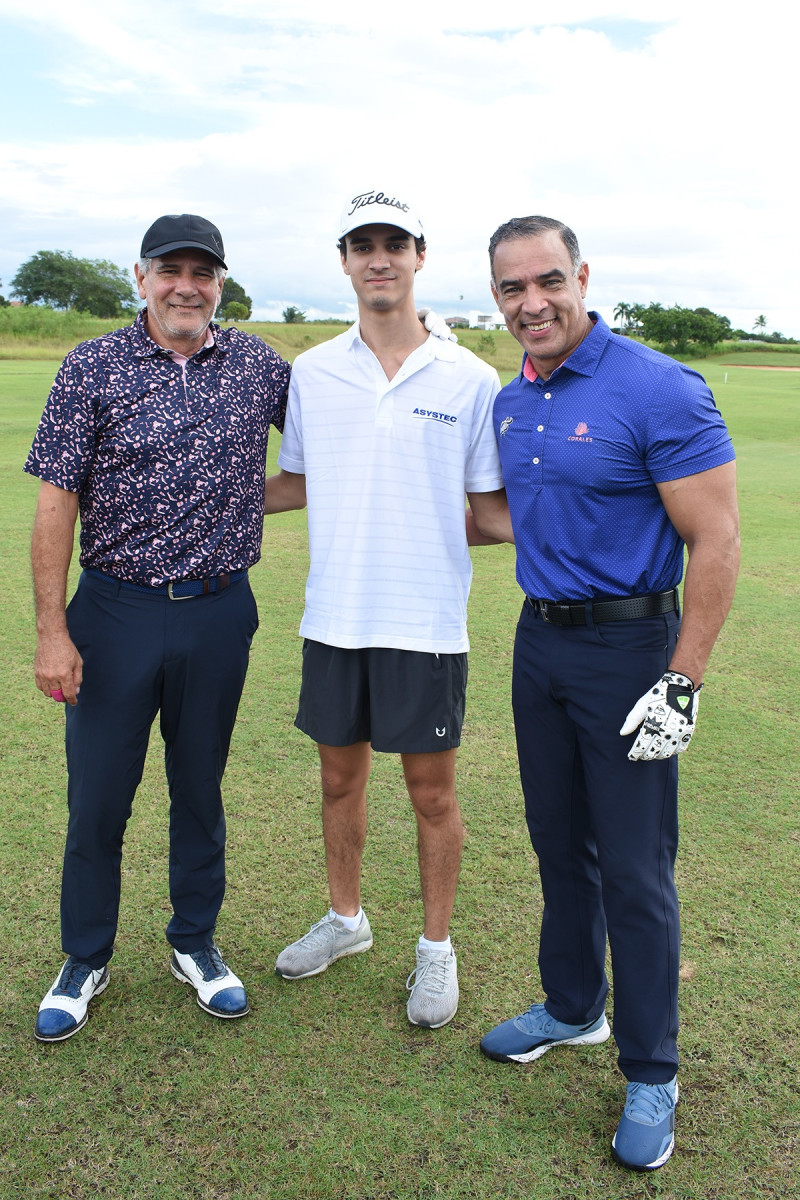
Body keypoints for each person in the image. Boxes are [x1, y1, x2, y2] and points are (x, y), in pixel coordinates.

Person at [478, 216, 740, 1170]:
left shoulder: (657, 386)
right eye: (512, 289)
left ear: (582, 275)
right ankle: (570, 1006)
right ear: (497, 296)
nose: (531, 303)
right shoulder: (514, 399)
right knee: (558, 843)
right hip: (538, 647)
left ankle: (651, 1068)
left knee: (635, 866)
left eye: (548, 281)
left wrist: (683, 680)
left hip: (633, 649)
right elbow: (513, 514)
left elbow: (716, 539)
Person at [26, 214, 291, 1041]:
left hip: (219, 609)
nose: (187, 285)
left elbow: (342, 431)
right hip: (112, 611)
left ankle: (195, 943)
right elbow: (55, 499)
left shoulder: (256, 366)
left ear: (221, 284)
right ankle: (85, 955)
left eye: (203, 273)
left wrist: (421, 337)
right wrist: (50, 630)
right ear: (140, 277)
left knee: (199, 787)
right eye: (170, 270)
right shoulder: (92, 365)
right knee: (99, 795)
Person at [263, 188, 512, 1029]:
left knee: (432, 795)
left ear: (418, 255)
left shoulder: (472, 378)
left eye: (393, 244)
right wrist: (199, 502)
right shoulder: (314, 371)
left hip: (425, 623)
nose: (378, 258)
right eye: (362, 244)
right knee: (339, 780)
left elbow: (487, 512)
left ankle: (436, 951)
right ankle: (346, 921)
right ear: (343, 260)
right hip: (334, 616)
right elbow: (298, 481)